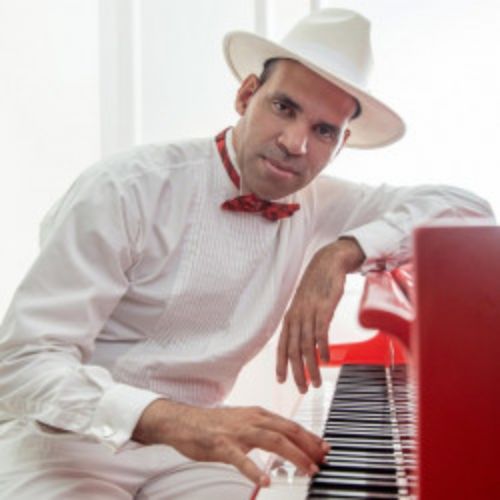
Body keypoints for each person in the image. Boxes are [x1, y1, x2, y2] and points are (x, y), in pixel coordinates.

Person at [0, 8, 494, 500]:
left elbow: (467, 209)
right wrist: (172, 419)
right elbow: (23, 364)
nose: (295, 143)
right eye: (284, 107)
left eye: (324, 130)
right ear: (246, 95)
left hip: (193, 456)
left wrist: (344, 251)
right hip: (64, 443)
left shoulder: (321, 203)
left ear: (340, 144)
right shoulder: (124, 188)